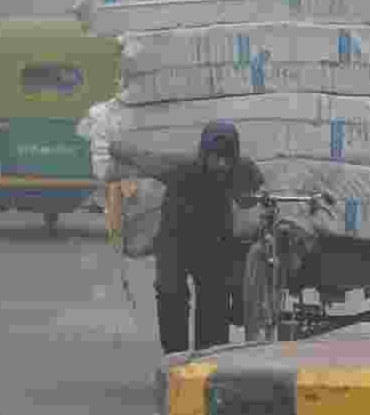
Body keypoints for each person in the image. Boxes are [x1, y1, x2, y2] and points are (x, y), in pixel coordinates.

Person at [106, 121, 263, 354]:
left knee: (215, 298)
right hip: (175, 240)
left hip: (215, 240)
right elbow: (144, 159)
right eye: (215, 158)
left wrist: (249, 198)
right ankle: (175, 356)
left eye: (226, 159)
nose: (221, 164)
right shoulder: (179, 167)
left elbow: (253, 191)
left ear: (235, 156)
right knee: (171, 294)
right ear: (203, 155)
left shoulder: (243, 167)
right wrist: (116, 148)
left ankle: (209, 358)